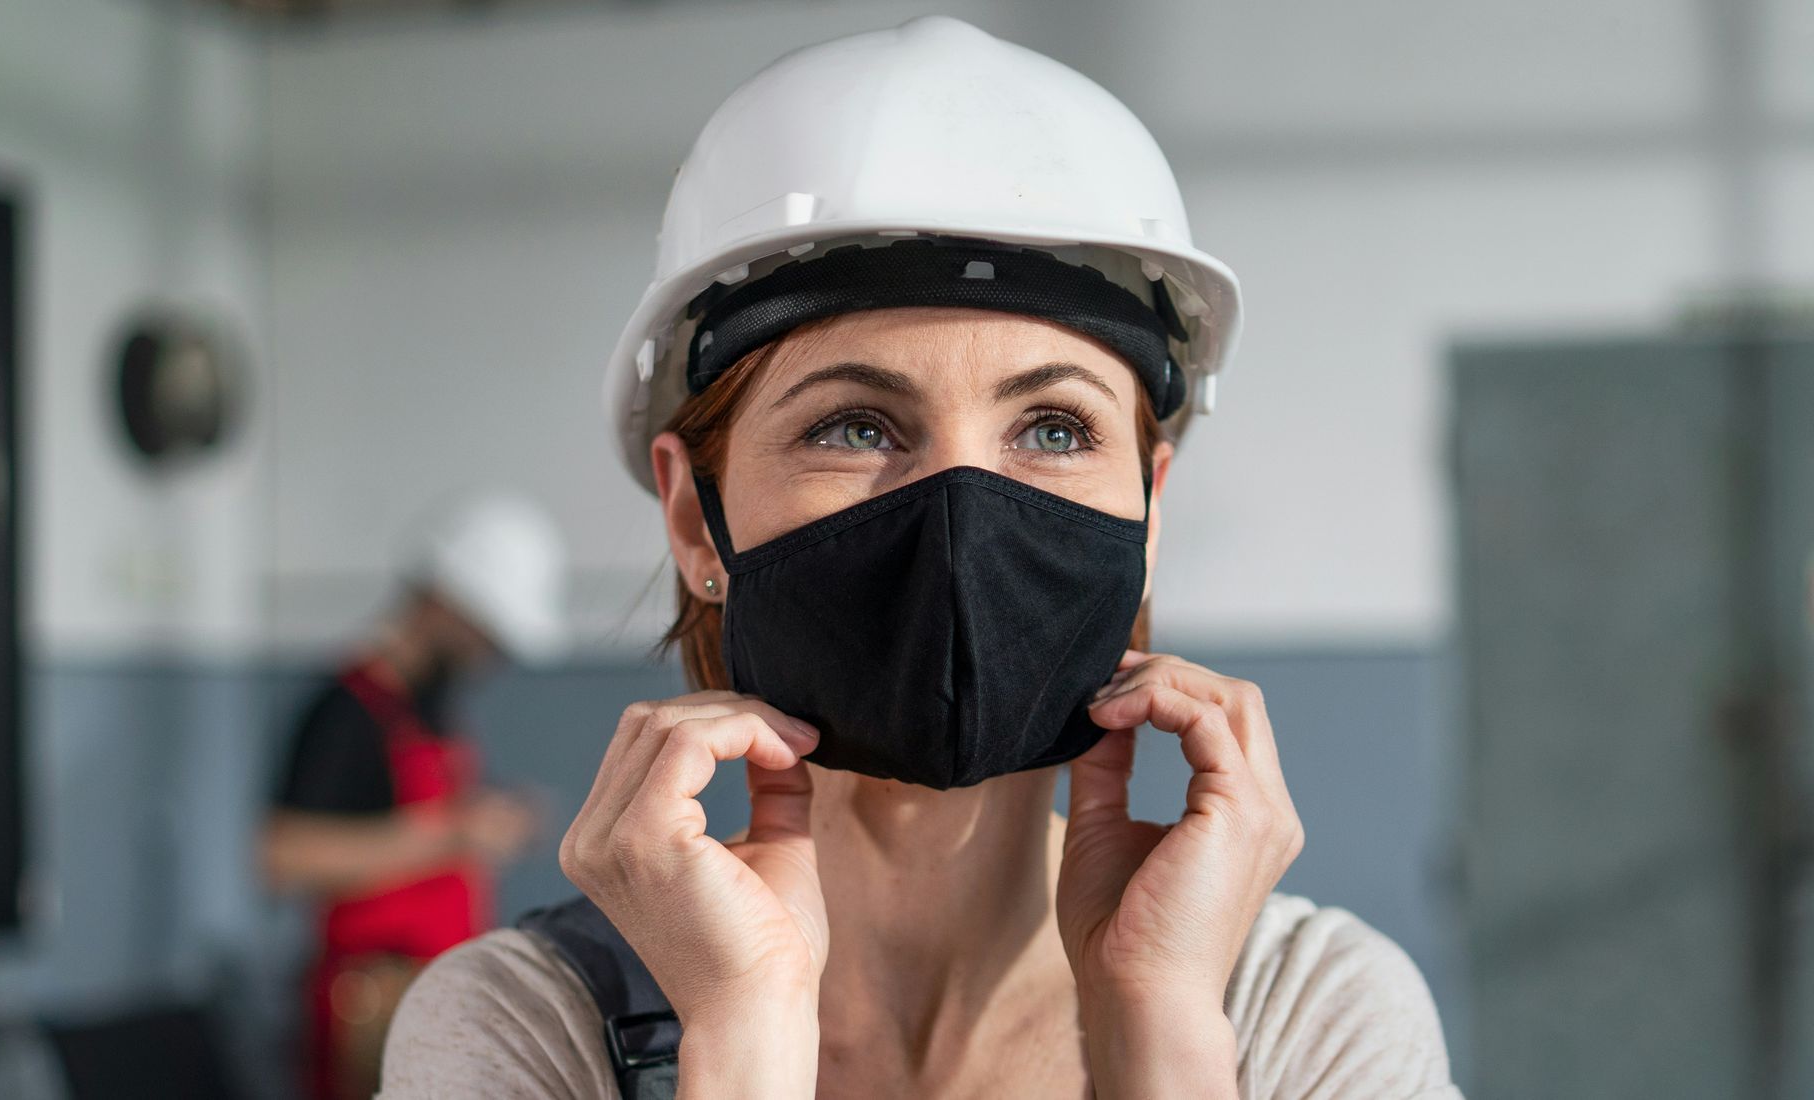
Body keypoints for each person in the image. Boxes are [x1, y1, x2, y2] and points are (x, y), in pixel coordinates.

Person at [382, 17, 1462, 1099]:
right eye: (856, 425)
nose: (959, 515)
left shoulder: (1308, 1011)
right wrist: (744, 1031)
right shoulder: (524, 1026)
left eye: (1053, 428)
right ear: (694, 517)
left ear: (1150, 507)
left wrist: (1162, 1028)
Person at [260, 494, 560, 1100]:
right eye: (485, 633)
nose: (488, 656)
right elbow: (281, 857)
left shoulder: (431, 710)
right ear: (443, 601)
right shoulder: (346, 712)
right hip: (369, 1006)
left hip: (431, 992)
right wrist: (455, 834)